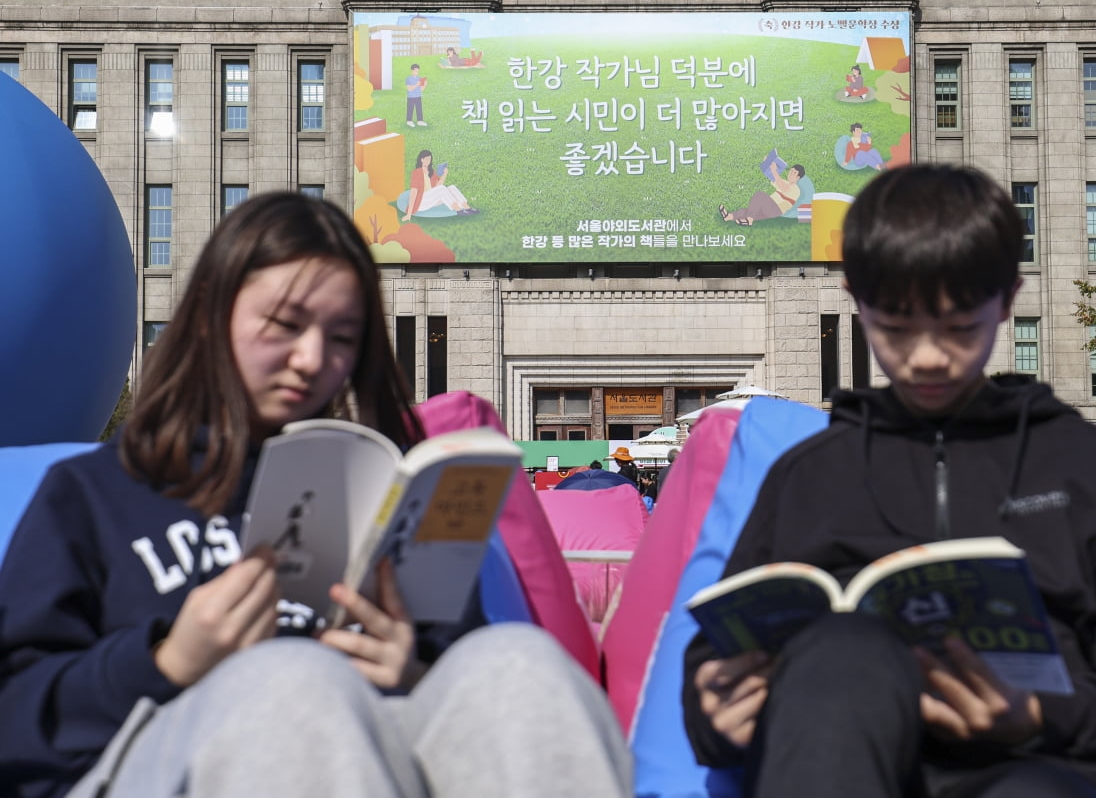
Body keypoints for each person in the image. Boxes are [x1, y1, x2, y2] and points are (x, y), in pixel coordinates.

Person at [0, 192, 632, 798]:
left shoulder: (382, 492)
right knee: (295, 677)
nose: (311, 359)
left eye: (341, 338)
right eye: (285, 325)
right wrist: (167, 660)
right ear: (207, 317)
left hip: (375, 752)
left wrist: (410, 671)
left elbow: (462, 689)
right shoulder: (94, 493)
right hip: (160, 755)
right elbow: (16, 712)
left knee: (519, 661)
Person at [683, 164, 1096, 798]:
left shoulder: (1083, 463)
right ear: (856, 299)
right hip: (840, 757)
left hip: (1047, 764)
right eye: (895, 329)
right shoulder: (811, 473)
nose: (927, 356)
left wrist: (1040, 715)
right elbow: (716, 651)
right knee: (842, 649)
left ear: (1007, 301)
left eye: (959, 327)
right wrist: (716, 713)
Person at [720, 163, 809, 227]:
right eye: (791, 171)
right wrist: (767, 163)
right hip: (768, 208)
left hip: (776, 209)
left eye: (794, 173)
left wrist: (774, 171)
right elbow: (772, 177)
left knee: (760, 196)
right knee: (747, 211)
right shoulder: (783, 182)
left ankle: (749, 220)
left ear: (798, 178)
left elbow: (783, 187)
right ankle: (729, 216)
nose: (790, 174)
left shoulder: (796, 190)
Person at [402, 149, 477, 221]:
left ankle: (467, 208)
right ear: (422, 159)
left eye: (430, 159)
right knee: (442, 189)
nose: (429, 161)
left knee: (452, 187)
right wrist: (409, 214)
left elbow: (438, 186)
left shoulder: (431, 171)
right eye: (427, 159)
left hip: (431, 199)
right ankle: (458, 210)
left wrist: (445, 174)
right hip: (421, 202)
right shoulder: (416, 172)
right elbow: (413, 192)